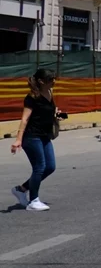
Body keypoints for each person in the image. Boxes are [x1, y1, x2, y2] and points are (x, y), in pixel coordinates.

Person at [10, 69, 62, 211]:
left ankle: (21, 189)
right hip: (31, 136)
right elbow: (25, 119)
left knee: (50, 167)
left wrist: (56, 114)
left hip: (44, 136)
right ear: (41, 81)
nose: (54, 82)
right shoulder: (32, 97)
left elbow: (49, 110)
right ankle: (34, 201)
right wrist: (18, 140)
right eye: (51, 79)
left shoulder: (50, 93)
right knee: (39, 167)